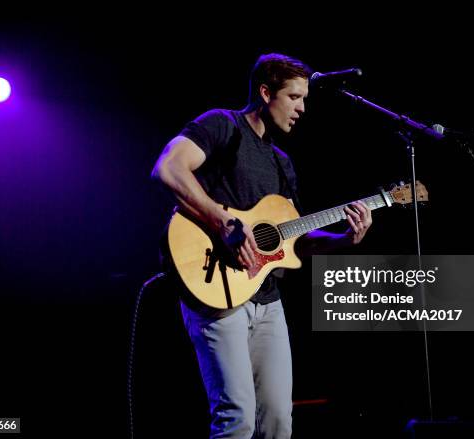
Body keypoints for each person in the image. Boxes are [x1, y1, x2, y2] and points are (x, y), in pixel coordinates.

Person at [152, 53, 372, 439]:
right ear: (266, 92)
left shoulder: (282, 163)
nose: (302, 109)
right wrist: (224, 222)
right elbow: (168, 168)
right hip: (216, 291)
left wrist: (344, 239)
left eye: (305, 99)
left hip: (267, 301)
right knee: (236, 418)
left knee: (278, 421)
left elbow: (294, 243)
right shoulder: (223, 126)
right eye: (294, 97)